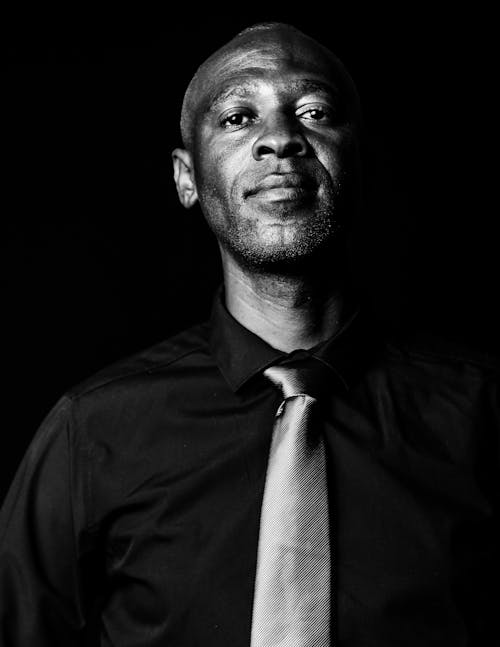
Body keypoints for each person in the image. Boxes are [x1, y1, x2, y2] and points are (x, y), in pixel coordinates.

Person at [1, 21, 498, 647]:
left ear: (360, 164)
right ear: (187, 178)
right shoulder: (89, 434)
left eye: (315, 111)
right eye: (238, 117)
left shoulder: (483, 415)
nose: (281, 139)